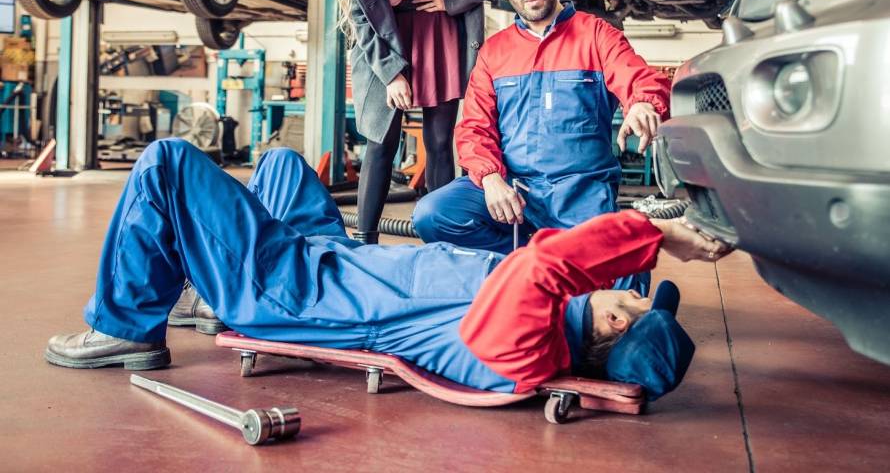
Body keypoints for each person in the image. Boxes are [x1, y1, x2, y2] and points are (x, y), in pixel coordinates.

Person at [45, 139, 731, 399]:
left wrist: (655, 234)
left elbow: (545, 264)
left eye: (635, 300)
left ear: (614, 324)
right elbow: (549, 255)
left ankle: (124, 328)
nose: (627, 291)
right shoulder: (549, 314)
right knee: (283, 163)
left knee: (167, 162)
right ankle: (206, 288)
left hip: (294, 291)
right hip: (335, 259)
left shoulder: (526, 347)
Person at [412, 0, 672, 292]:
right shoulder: (494, 52)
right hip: (514, 190)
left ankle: (555, 274)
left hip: (579, 195)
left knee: (625, 264)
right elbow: (474, 127)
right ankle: (532, 269)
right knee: (434, 214)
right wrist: (490, 178)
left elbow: (638, 76)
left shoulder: (596, 34)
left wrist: (642, 102)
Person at [320, 0, 497, 244]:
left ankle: (443, 238)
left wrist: (454, 0)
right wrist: (391, 74)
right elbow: (362, 23)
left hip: (438, 31)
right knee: (381, 141)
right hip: (385, 41)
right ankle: (364, 239)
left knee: (439, 140)